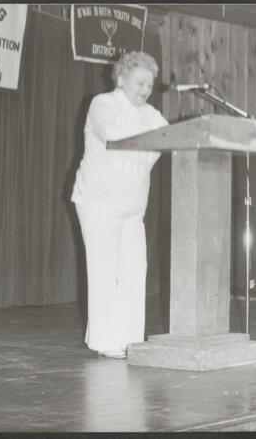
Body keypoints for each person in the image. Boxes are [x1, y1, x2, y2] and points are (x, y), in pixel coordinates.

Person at [71, 51, 168, 358]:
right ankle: (105, 342)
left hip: (132, 208)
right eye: (140, 82)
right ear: (122, 78)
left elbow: (172, 136)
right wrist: (149, 134)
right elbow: (110, 134)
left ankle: (129, 340)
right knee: (104, 269)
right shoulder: (103, 104)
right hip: (99, 201)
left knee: (134, 269)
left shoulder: (151, 114)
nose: (145, 90)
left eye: (150, 85)